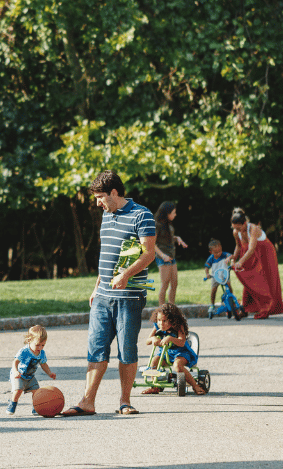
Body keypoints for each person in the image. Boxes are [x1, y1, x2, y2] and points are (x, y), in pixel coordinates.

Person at [61, 170, 156, 417]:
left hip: (130, 296)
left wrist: (126, 275)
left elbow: (149, 253)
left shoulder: (141, 215)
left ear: (115, 193)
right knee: (96, 347)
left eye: (101, 197)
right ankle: (87, 401)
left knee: (127, 349)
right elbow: (108, 256)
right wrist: (96, 286)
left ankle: (125, 401)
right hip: (103, 295)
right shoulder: (107, 214)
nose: (97, 203)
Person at [230, 208, 283, 319]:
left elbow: (251, 249)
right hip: (250, 254)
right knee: (249, 280)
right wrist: (233, 258)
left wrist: (240, 261)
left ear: (245, 223)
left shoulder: (253, 229)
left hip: (265, 252)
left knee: (266, 280)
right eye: (235, 228)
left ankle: (266, 309)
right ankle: (245, 308)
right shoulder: (236, 232)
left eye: (239, 227)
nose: (237, 230)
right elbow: (238, 246)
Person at [142, 303, 206, 395]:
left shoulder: (178, 327)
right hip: (165, 353)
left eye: (164, 321)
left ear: (172, 320)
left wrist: (170, 338)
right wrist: (153, 338)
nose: (161, 323)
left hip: (181, 352)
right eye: (159, 320)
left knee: (177, 365)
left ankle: (195, 385)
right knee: (154, 362)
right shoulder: (157, 327)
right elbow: (147, 341)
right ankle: (155, 386)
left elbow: (182, 342)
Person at [7, 325, 57, 415]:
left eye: (43, 345)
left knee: (37, 392)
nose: (40, 348)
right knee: (18, 390)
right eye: (37, 345)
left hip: (30, 376)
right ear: (29, 340)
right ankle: (12, 403)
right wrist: (15, 371)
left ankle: (36, 407)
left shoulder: (41, 353)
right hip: (19, 375)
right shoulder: (24, 351)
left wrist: (49, 373)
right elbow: (15, 362)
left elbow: (43, 364)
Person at [153, 201, 187, 306]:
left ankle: (171, 307)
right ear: (167, 213)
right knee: (165, 284)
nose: (175, 214)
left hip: (171, 256)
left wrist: (177, 238)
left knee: (174, 283)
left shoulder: (167, 224)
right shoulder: (156, 225)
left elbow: (167, 238)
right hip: (162, 257)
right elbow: (152, 243)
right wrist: (163, 256)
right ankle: (162, 309)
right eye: (173, 212)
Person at [204, 238, 238, 316]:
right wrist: (207, 274)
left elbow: (232, 256)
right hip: (215, 276)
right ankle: (212, 304)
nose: (219, 253)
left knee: (229, 286)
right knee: (213, 289)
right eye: (216, 252)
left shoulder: (224, 254)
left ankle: (231, 300)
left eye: (220, 251)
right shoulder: (211, 258)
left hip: (224, 275)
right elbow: (206, 267)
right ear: (211, 252)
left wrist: (229, 258)